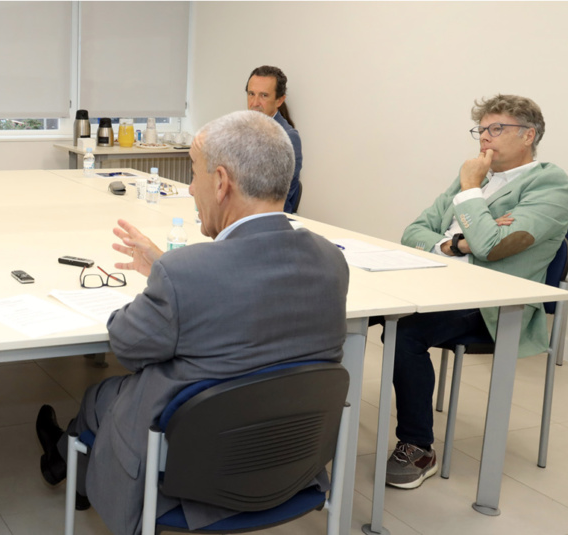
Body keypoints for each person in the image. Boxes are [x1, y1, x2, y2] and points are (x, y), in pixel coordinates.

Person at [35, 110, 349, 534]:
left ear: (221, 183)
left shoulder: (188, 273)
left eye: (195, 173)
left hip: (195, 470)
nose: (189, 186)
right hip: (286, 458)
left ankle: (70, 462)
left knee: (99, 395)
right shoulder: (332, 260)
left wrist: (166, 282)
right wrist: (168, 270)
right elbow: (251, 301)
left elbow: (127, 347)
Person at [385, 94, 568, 490]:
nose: (484, 139)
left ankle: (417, 447)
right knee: (359, 308)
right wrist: (457, 244)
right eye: (481, 130)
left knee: (405, 333)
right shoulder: (475, 176)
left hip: (495, 300)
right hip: (441, 280)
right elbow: (413, 232)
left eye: (496, 129)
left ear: (529, 135)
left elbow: (492, 248)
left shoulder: (551, 184)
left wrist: (471, 193)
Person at [245, 65, 303, 213]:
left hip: (268, 218)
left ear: (279, 100)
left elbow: (274, 197)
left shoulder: (287, 138)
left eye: (264, 95)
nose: (255, 103)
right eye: (251, 94)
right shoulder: (243, 130)